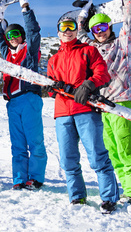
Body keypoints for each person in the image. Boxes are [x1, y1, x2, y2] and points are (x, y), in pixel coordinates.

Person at [76, 0, 131, 207]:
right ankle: (126, 189)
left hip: (121, 103)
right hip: (100, 107)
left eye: (103, 27)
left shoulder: (122, 45)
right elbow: (80, 34)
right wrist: (84, 11)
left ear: (110, 28)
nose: (99, 32)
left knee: (128, 150)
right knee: (113, 153)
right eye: (96, 29)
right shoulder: (92, 49)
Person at [47, 15, 120, 214]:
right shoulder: (53, 59)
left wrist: (89, 84)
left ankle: (109, 198)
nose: (67, 30)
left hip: (86, 110)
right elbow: (50, 86)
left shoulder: (89, 51)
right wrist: (54, 89)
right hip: (62, 113)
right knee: (68, 160)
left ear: (76, 30)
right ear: (58, 31)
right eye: (63, 27)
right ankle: (77, 197)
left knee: (97, 156)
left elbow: (103, 73)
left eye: (71, 26)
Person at [0, 0, 47, 190]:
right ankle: (19, 179)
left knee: (34, 142)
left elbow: (34, 31)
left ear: (22, 36)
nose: (13, 37)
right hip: (12, 103)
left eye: (16, 34)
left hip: (29, 99)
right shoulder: (7, 54)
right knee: (17, 145)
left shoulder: (29, 50)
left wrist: (25, 8)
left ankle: (35, 178)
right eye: (10, 36)